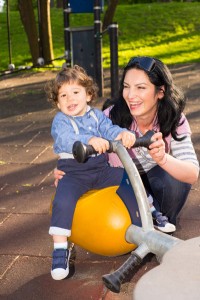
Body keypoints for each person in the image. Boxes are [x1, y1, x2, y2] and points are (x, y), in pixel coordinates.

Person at [54, 57, 199, 234]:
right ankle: (135, 230)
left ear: (160, 91)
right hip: (120, 184)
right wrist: (68, 168)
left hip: (155, 184)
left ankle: (158, 224)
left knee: (173, 180)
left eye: (141, 87)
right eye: (126, 86)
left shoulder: (174, 119)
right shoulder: (109, 119)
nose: (130, 95)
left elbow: (192, 174)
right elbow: (80, 144)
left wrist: (163, 159)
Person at [46, 65, 136, 280]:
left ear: (88, 94)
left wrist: (122, 134)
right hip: (74, 172)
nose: (70, 99)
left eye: (75, 92)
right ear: (58, 102)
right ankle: (60, 250)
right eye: (63, 95)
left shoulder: (96, 115)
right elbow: (64, 139)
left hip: (100, 168)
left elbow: (109, 129)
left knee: (128, 178)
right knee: (63, 201)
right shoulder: (61, 121)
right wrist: (87, 141)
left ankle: (149, 210)